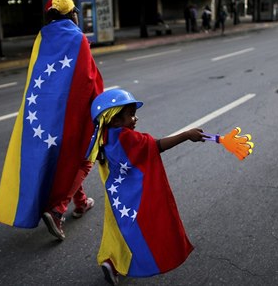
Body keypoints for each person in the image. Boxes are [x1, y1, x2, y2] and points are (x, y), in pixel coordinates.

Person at [86, 89, 253, 285]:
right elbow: (156, 146)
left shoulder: (103, 137)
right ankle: (122, 263)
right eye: (130, 114)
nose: (135, 118)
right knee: (137, 230)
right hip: (135, 197)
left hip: (116, 195)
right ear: (114, 120)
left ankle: (110, 260)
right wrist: (186, 135)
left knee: (116, 226)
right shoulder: (126, 138)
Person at [0, 0, 104, 241]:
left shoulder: (42, 38)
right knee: (85, 157)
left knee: (67, 160)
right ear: (72, 13)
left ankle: (81, 201)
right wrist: (101, 108)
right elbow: (88, 79)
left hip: (44, 116)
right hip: (73, 114)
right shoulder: (78, 38)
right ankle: (57, 210)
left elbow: (36, 78)